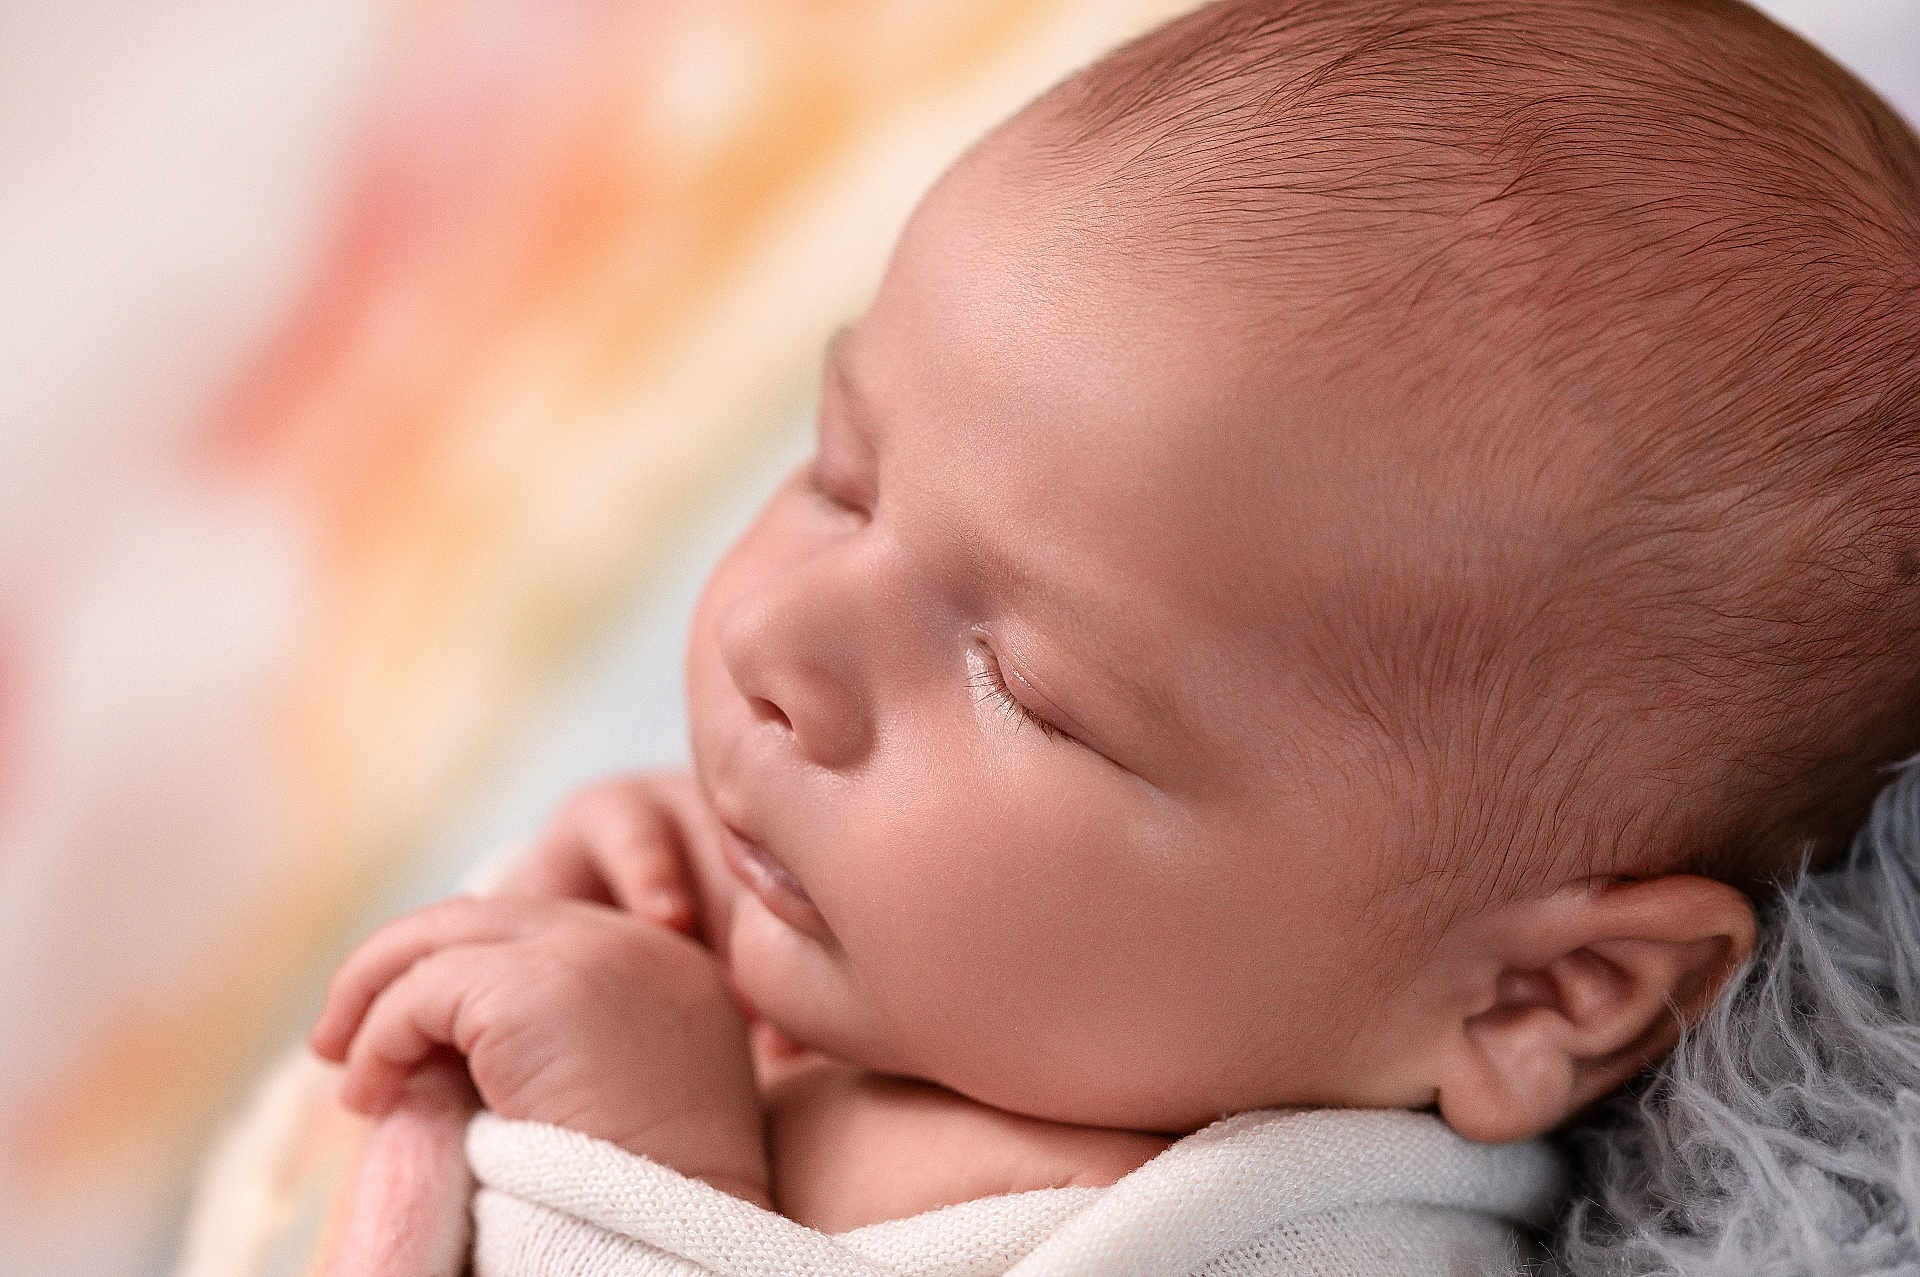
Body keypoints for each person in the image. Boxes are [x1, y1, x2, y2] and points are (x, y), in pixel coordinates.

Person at [306, 0, 1920, 1266]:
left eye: (1026, 684)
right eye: (841, 476)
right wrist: (629, 903)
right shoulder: (953, 980)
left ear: (1537, 998)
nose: (780, 646)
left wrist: (636, 1164)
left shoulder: (1279, 1239)